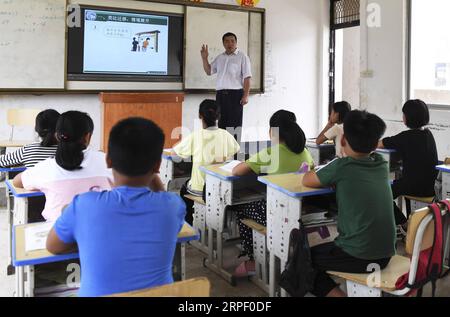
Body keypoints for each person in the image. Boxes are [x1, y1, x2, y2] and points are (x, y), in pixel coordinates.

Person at [46, 117, 185, 297]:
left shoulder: (83, 205)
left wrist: (86, 238)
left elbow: (53, 246)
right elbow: (162, 197)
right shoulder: (173, 207)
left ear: (109, 160)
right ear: (158, 165)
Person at [303, 110, 396, 297]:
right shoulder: (380, 164)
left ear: (343, 139)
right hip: (386, 254)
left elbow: (307, 180)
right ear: (374, 144)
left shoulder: (341, 167)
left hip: (357, 255)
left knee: (301, 261)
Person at [231, 110, 314, 276]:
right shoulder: (305, 152)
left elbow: (236, 171)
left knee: (241, 209)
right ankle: (270, 250)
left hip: (276, 213)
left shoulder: (270, 153)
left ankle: (253, 259)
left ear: (272, 131)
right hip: (300, 212)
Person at [13, 111, 112, 221]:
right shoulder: (107, 161)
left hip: (56, 233)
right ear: (87, 137)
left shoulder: (46, 167)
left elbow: (17, 182)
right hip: (100, 230)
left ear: (57, 136)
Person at [173, 99, 240, 224]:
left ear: (200, 115)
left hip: (200, 189)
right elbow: (236, 149)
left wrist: (179, 143)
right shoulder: (225, 135)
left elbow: (175, 153)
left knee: (183, 189)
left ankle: (188, 225)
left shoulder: (196, 135)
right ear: (219, 116)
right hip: (221, 187)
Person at [379, 99, 439, 226]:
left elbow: (380, 144)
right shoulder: (428, 134)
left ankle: (403, 223)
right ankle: (406, 223)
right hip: (430, 186)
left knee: (380, 193)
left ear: (408, 117)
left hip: (414, 186)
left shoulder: (406, 137)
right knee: (396, 184)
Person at [201, 32, 252, 140]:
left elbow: (247, 77)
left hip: (235, 95)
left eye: (232, 41)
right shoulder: (220, 58)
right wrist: (205, 58)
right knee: (221, 124)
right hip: (220, 95)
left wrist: (246, 95)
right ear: (223, 43)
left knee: (234, 125)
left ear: (236, 42)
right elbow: (209, 71)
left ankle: (235, 154)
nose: (230, 43)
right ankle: (223, 151)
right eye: (227, 41)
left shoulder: (242, 57)